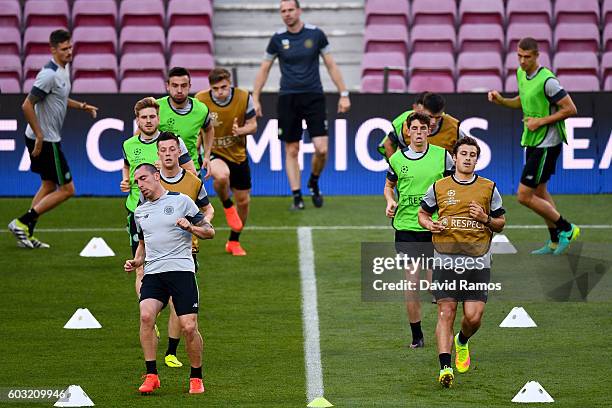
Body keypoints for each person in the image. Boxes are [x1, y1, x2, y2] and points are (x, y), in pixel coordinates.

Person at [418, 137, 506, 388]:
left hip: (478, 260)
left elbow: (501, 223)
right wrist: (429, 224)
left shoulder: (489, 188)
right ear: (454, 158)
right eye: (463, 154)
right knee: (446, 312)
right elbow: (423, 213)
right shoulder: (439, 187)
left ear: (477, 159)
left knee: (473, 317)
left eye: (472, 155)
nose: (468, 158)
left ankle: (463, 341)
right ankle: (445, 367)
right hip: (445, 258)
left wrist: (485, 217)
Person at [124, 163, 215, 395]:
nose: (140, 185)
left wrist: (191, 228)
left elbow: (210, 231)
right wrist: (136, 262)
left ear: (156, 176)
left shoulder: (181, 201)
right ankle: (152, 375)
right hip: (154, 273)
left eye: (144, 179)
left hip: (182, 271)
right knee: (146, 316)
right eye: (137, 182)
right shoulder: (140, 211)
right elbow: (143, 246)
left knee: (189, 326)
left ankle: (196, 377)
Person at [253, 0, 351, 210]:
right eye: (283, 11)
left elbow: (331, 65)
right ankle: (297, 196)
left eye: (290, 10)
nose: (287, 14)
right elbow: (264, 69)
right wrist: (255, 97)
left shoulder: (316, 34)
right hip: (288, 98)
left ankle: (313, 181)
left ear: (299, 11)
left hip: (314, 96)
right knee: (292, 149)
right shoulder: (277, 39)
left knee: (321, 149)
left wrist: (344, 93)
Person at [488, 37, 579, 255]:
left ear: (537, 56)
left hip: (547, 143)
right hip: (532, 140)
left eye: (526, 57)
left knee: (524, 196)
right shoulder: (521, 74)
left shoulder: (548, 81)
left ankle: (567, 227)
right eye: (519, 56)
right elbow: (523, 100)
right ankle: (556, 241)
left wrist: (540, 122)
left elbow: (570, 109)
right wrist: (501, 100)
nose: (522, 61)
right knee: (540, 191)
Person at [8, 29, 98, 249]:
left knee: (48, 185)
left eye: (70, 47)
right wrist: (39, 135)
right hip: (46, 140)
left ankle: (25, 232)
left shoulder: (62, 71)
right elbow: (27, 104)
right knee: (68, 190)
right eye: (64, 49)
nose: (69, 52)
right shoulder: (49, 74)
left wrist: (82, 106)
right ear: (53, 50)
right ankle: (22, 222)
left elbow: (60, 98)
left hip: (45, 138)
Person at [384, 112, 455, 349]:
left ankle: (443, 332)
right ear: (407, 131)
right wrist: (389, 201)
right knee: (411, 284)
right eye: (414, 128)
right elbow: (389, 186)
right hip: (407, 227)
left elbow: (452, 186)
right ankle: (417, 335)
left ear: (429, 131)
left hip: (435, 227)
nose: (418, 133)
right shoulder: (396, 159)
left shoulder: (442, 156)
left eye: (422, 129)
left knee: (437, 287)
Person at [121, 97, 196, 299]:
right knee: (140, 266)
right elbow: (127, 165)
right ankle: (149, 318)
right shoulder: (128, 144)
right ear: (137, 120)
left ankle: (175, 318)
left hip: (168, 211)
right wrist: (125, 180)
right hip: (137, 212)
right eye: (144, 117)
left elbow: (192, 174)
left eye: (152, 116)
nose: (148, 121)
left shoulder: (171, 143)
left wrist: (167, 168)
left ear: (158, 118)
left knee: (171, 271)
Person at [155, 132, 214, 368]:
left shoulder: (193, 182)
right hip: (157, 253)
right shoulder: (152, 181)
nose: (169, 154)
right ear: (158, 154)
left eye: (173, 150)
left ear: (180, 152)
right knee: (155, 307)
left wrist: (200, 224)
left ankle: (171, 351)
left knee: (177, 304)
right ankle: (165, 355)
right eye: (164, 150)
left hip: (187, 252)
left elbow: (208, 210)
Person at [195, 68, 257, 256]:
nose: (220, 91)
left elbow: (253, 125)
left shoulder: (244, 97)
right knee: (221, 176)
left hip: (238, 155)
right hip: (212, 152)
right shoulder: (201, 100)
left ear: (230, 83)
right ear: (210, 88)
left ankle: (233, 241)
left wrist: (242, 130)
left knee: (244, 201)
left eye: (224, 87)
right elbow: (197, 129)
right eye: (216, 88)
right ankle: (227, 205)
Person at [158, 67, 214, 177]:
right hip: (162, 171)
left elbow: (209, 129)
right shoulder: (156, 107)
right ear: (167, 86)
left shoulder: (201, 110)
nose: (179, 90)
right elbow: (140, 136)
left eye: (183, 85)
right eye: (175, 85)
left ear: (189, 86)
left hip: (191, 169)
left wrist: (206, 156)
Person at [379, 92, 465, 158]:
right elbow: (396, 148)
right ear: (422, 110)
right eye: (430, 116)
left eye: (438, 117)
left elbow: (467, 149)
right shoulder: (406, 126)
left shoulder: (454, 128)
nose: (433, 122)